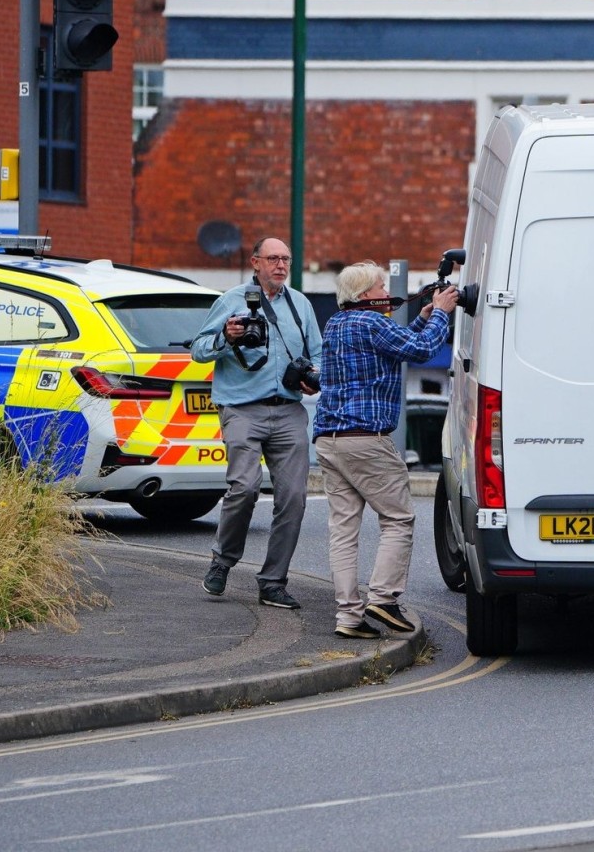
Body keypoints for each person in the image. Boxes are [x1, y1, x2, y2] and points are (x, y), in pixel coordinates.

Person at [313, 261, 459, 639]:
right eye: (380, 287)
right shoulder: (372, 322)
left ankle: (349, 617)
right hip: (366, 440)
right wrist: (441, 314)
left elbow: (393, 350)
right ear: (364, 295)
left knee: (344, 530)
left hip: (329, 440)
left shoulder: (337, 324)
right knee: (397, 519)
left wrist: (422, 318)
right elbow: (424, 351)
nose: (385, 293)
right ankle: (384, 598)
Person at [191, 237, 323, 609]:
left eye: (286, 259)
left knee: (294, 498)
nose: (281, 265)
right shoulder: (232, 300)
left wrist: (313, 374)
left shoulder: (301, 304)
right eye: (273, 259)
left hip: (288, 410)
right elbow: (199, 351)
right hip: (241, 408)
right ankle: (222, 561)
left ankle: (273, 582)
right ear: (255, 262)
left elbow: (321, 354)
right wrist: (226, 337)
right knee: (245, 488)